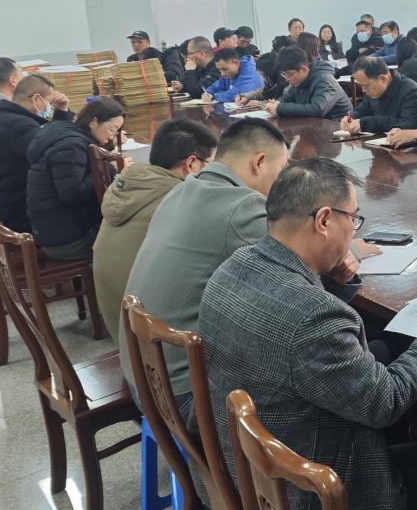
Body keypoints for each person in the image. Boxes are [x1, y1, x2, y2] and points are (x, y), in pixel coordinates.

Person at [199, 158, 417, 510]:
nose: (355, 230)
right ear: (324, 220)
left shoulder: (233, 268)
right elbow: (385, 403)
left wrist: (332, 283)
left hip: (251, 483)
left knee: (387, 347)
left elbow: (295, 339)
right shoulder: (314, 319)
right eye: (353, 218)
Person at [121, 120, 294, 421]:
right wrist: (353, 249)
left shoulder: (180, 190)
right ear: (259, 163)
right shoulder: (242, 207)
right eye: (281, 170)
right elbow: (301, 269)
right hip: (183, 399)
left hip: (141, 377)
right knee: (312, 378)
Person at [92, 119, 217, 336]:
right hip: (158, 341)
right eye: (210, 164)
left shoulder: (130, 184)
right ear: (191, 164)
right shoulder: (180, 200)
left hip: (120, 328)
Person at [26, 96, 125, 260]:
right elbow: (72, 194)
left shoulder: (64, 132)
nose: (113, 136)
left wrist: (106, 155)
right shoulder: (71, 145)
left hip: (52, 232)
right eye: (112, 129)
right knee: (132, 236)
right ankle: (104, 276)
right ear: (93, 122)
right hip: (67, 240)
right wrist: (107, 167)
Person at [0, 73, 72, 232]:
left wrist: (61, 111)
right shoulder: (22, 125)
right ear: (36, 99)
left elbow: (50, 141)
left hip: (0, 202)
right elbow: (53, 154)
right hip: (18, 209)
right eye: (50, 102)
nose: (50, 108)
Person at [340, 56, 417, 136]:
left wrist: (365, 123)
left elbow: (408, 124)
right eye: (361, 85)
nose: (364, 90)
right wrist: (351, 118)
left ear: (383, 79)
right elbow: (363, 109)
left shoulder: (411, 92)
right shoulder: (374, 89)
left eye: (365, 86)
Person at [258, 47, 351, 120]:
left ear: (304, 69)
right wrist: (275, 104)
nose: (287, 79)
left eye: (289, 74)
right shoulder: (299, 81)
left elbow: (317, 109)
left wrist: (279, 108)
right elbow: (286, 98)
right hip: (315, 125)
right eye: (284, 75)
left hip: (338, 127)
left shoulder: (325, 79)